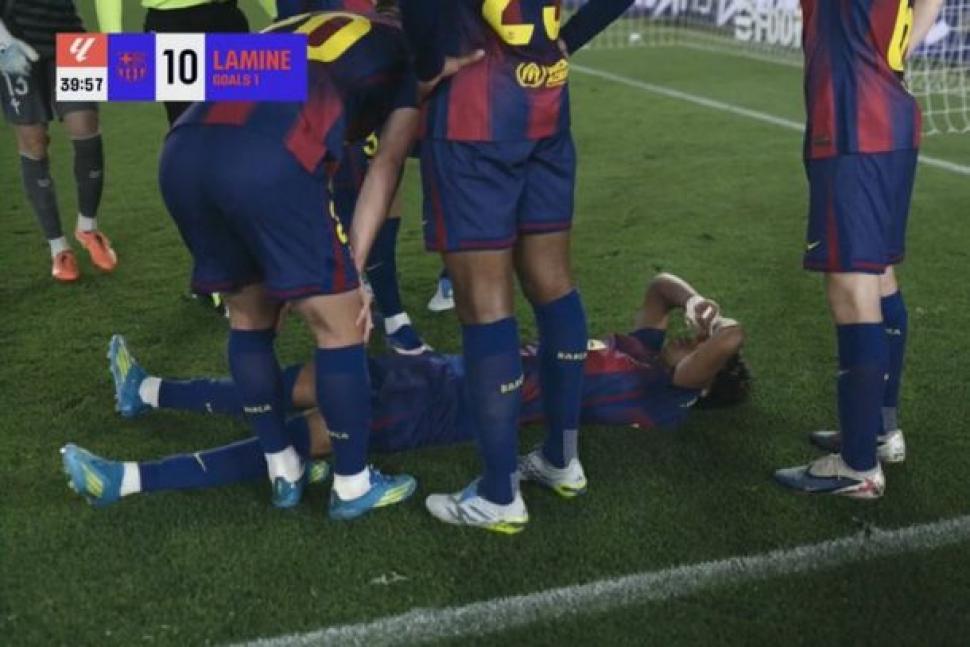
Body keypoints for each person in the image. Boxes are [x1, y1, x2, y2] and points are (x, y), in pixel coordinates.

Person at [61, 273, 750, 509]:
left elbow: (731, 339)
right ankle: (148, 392)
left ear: (704, 383)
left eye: (697, 350)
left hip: (445, 408)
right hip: (441, 372)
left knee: (300, 440)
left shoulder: (663, 396)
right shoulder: (642, 351)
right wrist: (694, 302)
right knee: (292, 383)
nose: (688, 339)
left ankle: (127, 480)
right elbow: (660, 287)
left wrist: (716, 328)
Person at [151, 6, 458, 520]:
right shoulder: (407, 56)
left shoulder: (305, 25)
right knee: (343, 326)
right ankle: (353, 484)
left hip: (182, 154)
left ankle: (282, 466)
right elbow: (384, 168)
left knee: (249, 319)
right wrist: (354, 272)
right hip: (268, 155)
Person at [413, 0, 636, 533]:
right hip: (544, 101)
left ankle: (499, 494)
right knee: (554, 284)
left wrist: (426, 66)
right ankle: (561, 457)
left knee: (484, 304)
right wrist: (570, 37)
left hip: (473, 109)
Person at [774, 0, 945, 499]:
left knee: (852, 286)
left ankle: (857, 466)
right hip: (888, 114)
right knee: (879, 274)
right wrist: (899, 48)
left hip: (852, 122)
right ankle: (877, 430)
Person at [0, 1, 116, 282]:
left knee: (85, 125)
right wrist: (3, 40)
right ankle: (58, 247)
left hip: (71, 38)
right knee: (34, 143)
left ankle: (88, 227)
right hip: (12, 43)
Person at [95, 0, 254, 127]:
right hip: (172, 25)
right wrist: (113, 40)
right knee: (187, 125)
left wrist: (272, 12)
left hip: (228, 19)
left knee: (240, 122)